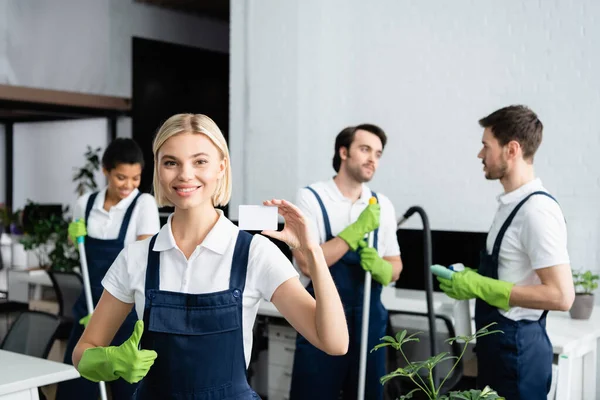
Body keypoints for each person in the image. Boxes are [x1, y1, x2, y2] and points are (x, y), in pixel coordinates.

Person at [71, 113, 348, 399]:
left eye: (200, 161)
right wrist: (110, 361)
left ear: (221, 167)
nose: (185, 174)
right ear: (158, 168)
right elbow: (83, 352)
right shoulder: (136, 258)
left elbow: (335, 342)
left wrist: (313, 252)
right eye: (171, 162)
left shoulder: (254, 253)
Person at [437, 105, 574, 399]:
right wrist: (470, 279)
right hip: (498, 348)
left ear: (511, 150)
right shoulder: (510, 205)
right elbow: (513, 273)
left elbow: (561, 296)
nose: (480, 155)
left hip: (519, 352)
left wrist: (479, 285)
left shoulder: (537, 211)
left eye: (486, 146)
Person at [289, 124, 403, 400]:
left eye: (377, 153)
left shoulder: (381, 204)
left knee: (367, 393)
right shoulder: (312, 198)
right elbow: (305, 263)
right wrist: (354, 232)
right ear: (344, 152)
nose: (372, 158)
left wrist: (380, 267)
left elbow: (396, 267)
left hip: (369, 321)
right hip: (321, 317)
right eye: (365, 149)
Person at [56, 138, 161, 400]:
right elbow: (77, 247)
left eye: (135, 178)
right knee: (76, 387)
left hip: (125, 311)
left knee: (129, 389)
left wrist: (105, 316)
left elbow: (144, 259)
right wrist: (72, 235)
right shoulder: (85, 203)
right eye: (121, 177)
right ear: (106, 171)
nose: (129, 186)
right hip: (87, 305)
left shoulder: (143, 204)